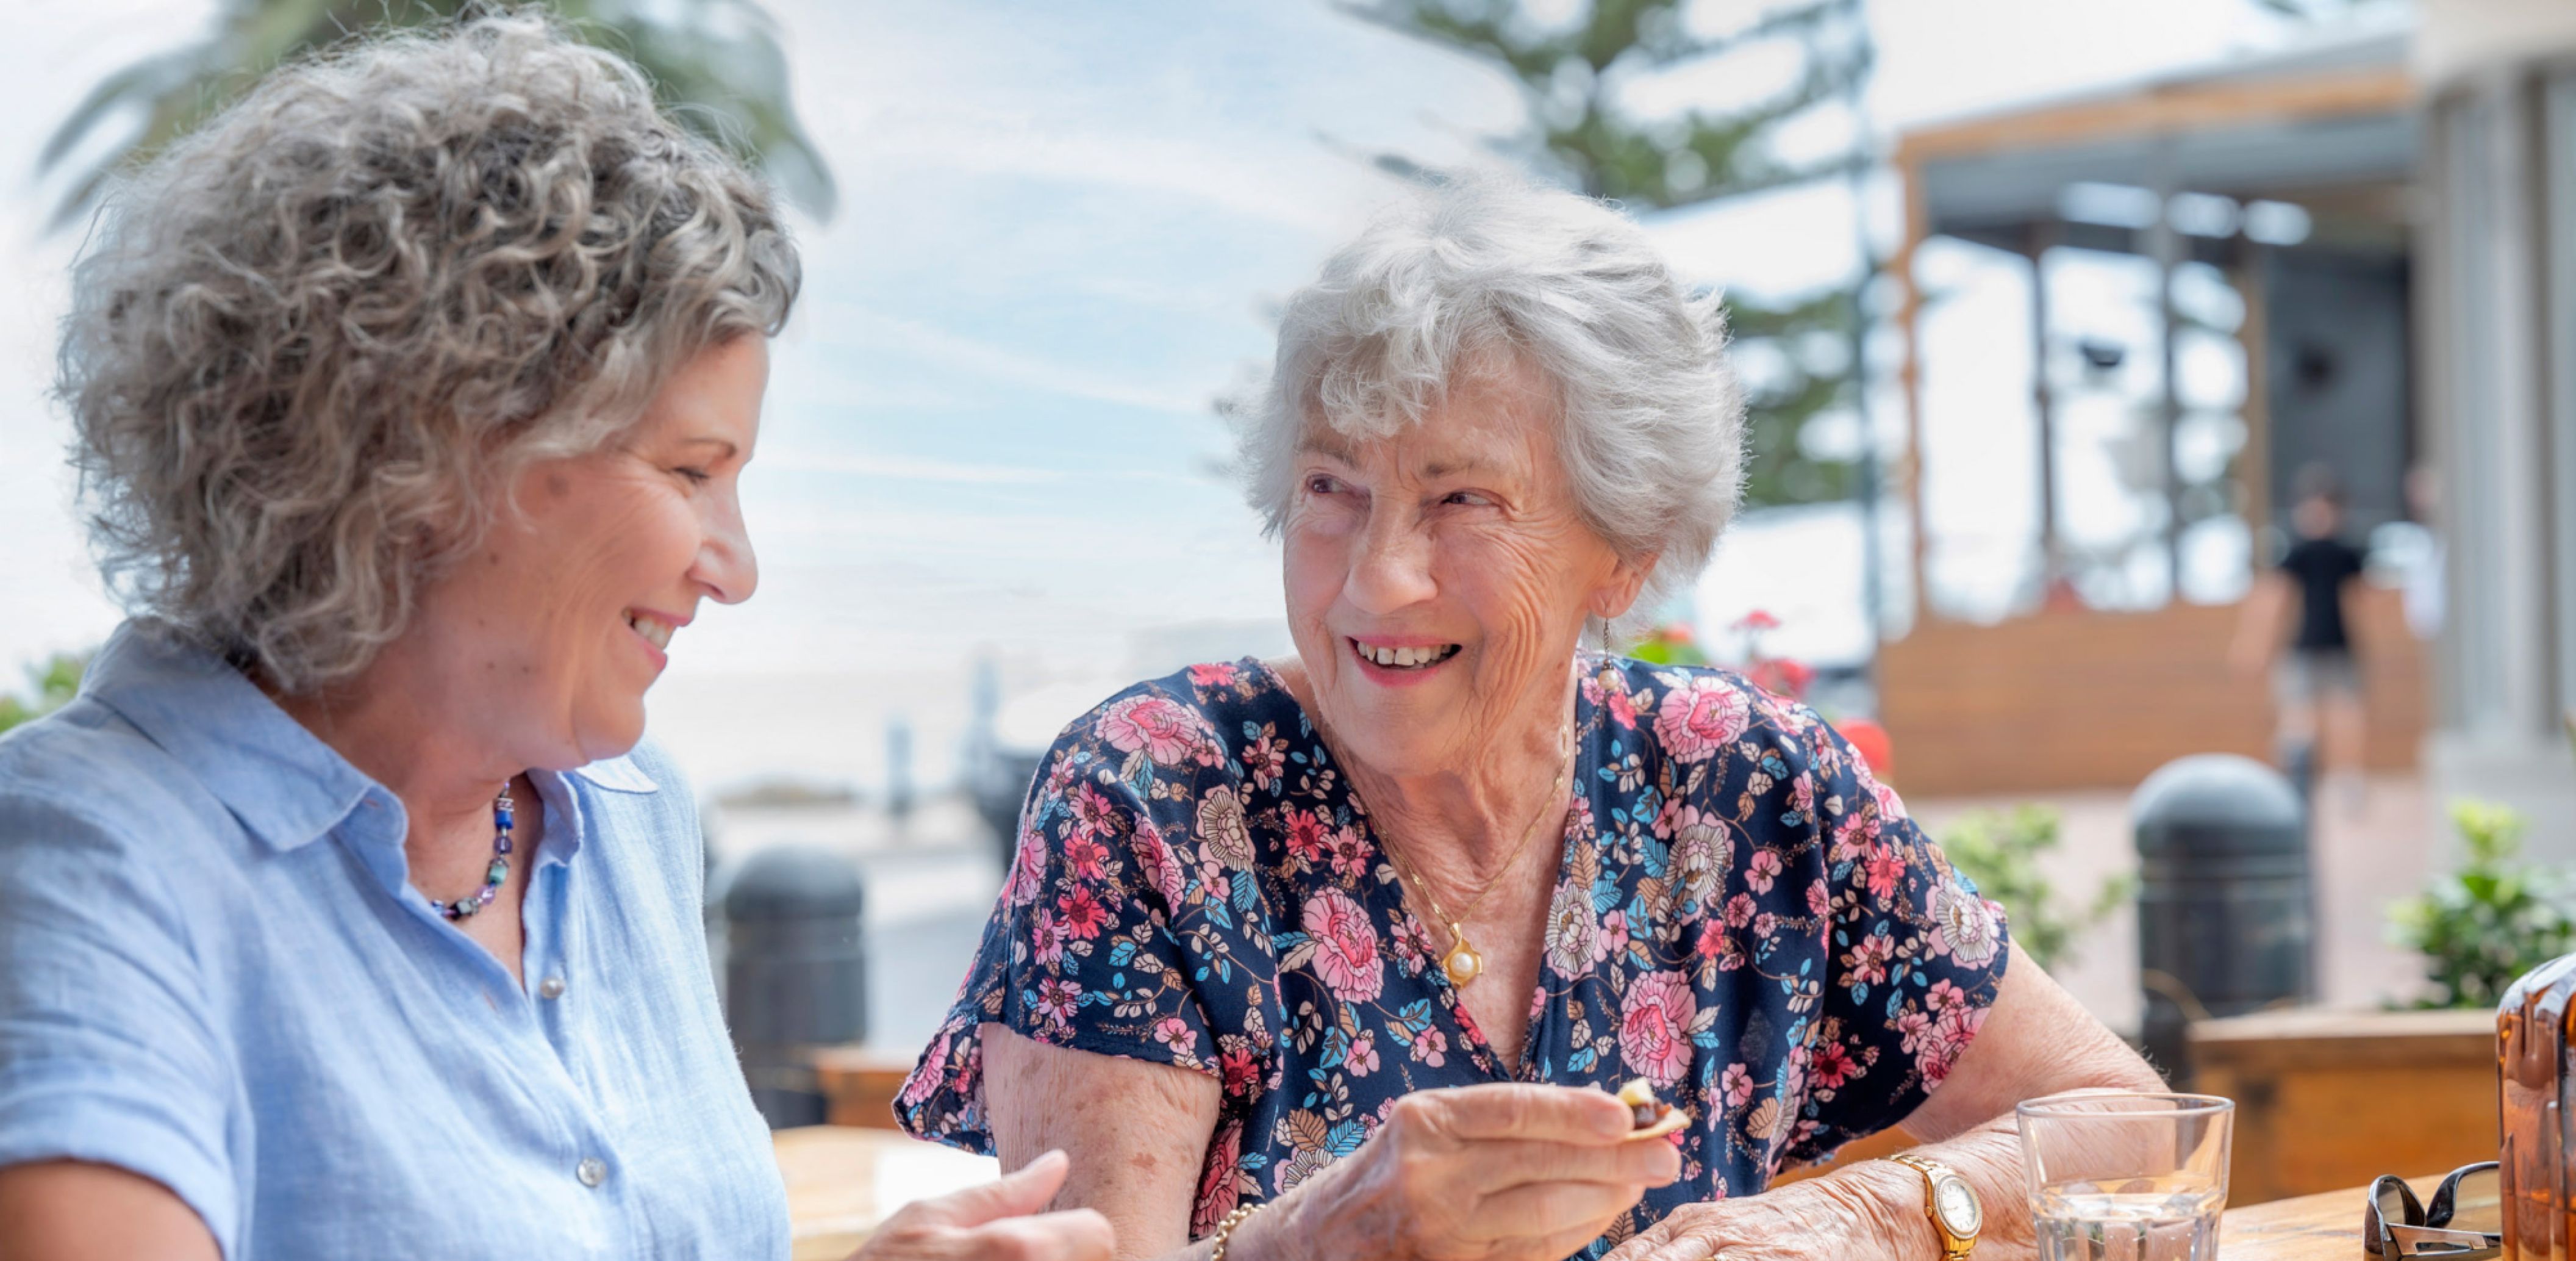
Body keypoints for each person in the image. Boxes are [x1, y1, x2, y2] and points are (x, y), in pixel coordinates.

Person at [0, 17, 1109, 1261]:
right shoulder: (85, 853)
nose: (737, 569)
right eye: (693, 470)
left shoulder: (627, 815)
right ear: (434, 447)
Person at [897, 177, 2163, 1260]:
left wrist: (1864, 1216)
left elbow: (2126, 1117)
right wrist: (1319, 1239)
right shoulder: (1153, 794)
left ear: (1624, 553)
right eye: (1333, 486)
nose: (1372, 578)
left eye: (1461, 499)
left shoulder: (1745, 786)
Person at [2231, 462, 2370, 804]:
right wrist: (2253, 643)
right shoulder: (2297, 554)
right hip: (2302, 648)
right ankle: (2293, 785)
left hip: (2340, 647)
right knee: (2296, 721)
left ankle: (2348, 782)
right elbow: (2272, 599)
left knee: (2346, 717)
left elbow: (2364, 600)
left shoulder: (2346, 553)